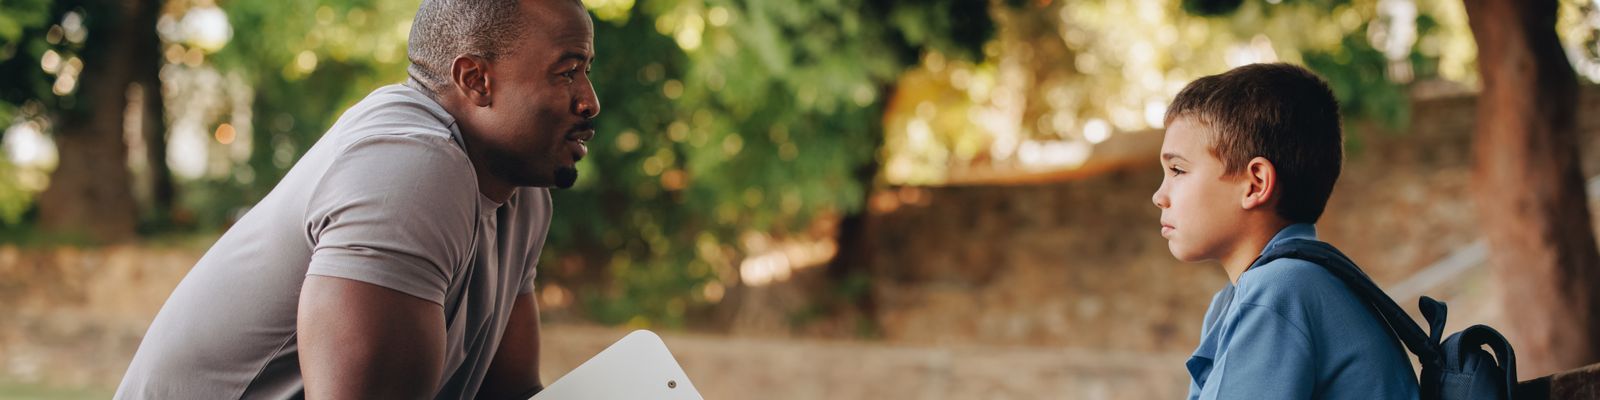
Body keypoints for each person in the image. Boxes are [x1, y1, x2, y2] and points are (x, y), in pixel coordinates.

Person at [115, 0, 599, 398]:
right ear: (475, 80)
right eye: (567, 72)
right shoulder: (409, 170)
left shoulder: (521, 195)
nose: (589, 100)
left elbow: (511, 392)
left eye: (586, 71)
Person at [1152, 63, 1419, 399]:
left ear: (1255, 184)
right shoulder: (1248, 296)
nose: (1159, 196)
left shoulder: (1280, 291)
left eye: (1177, 170)